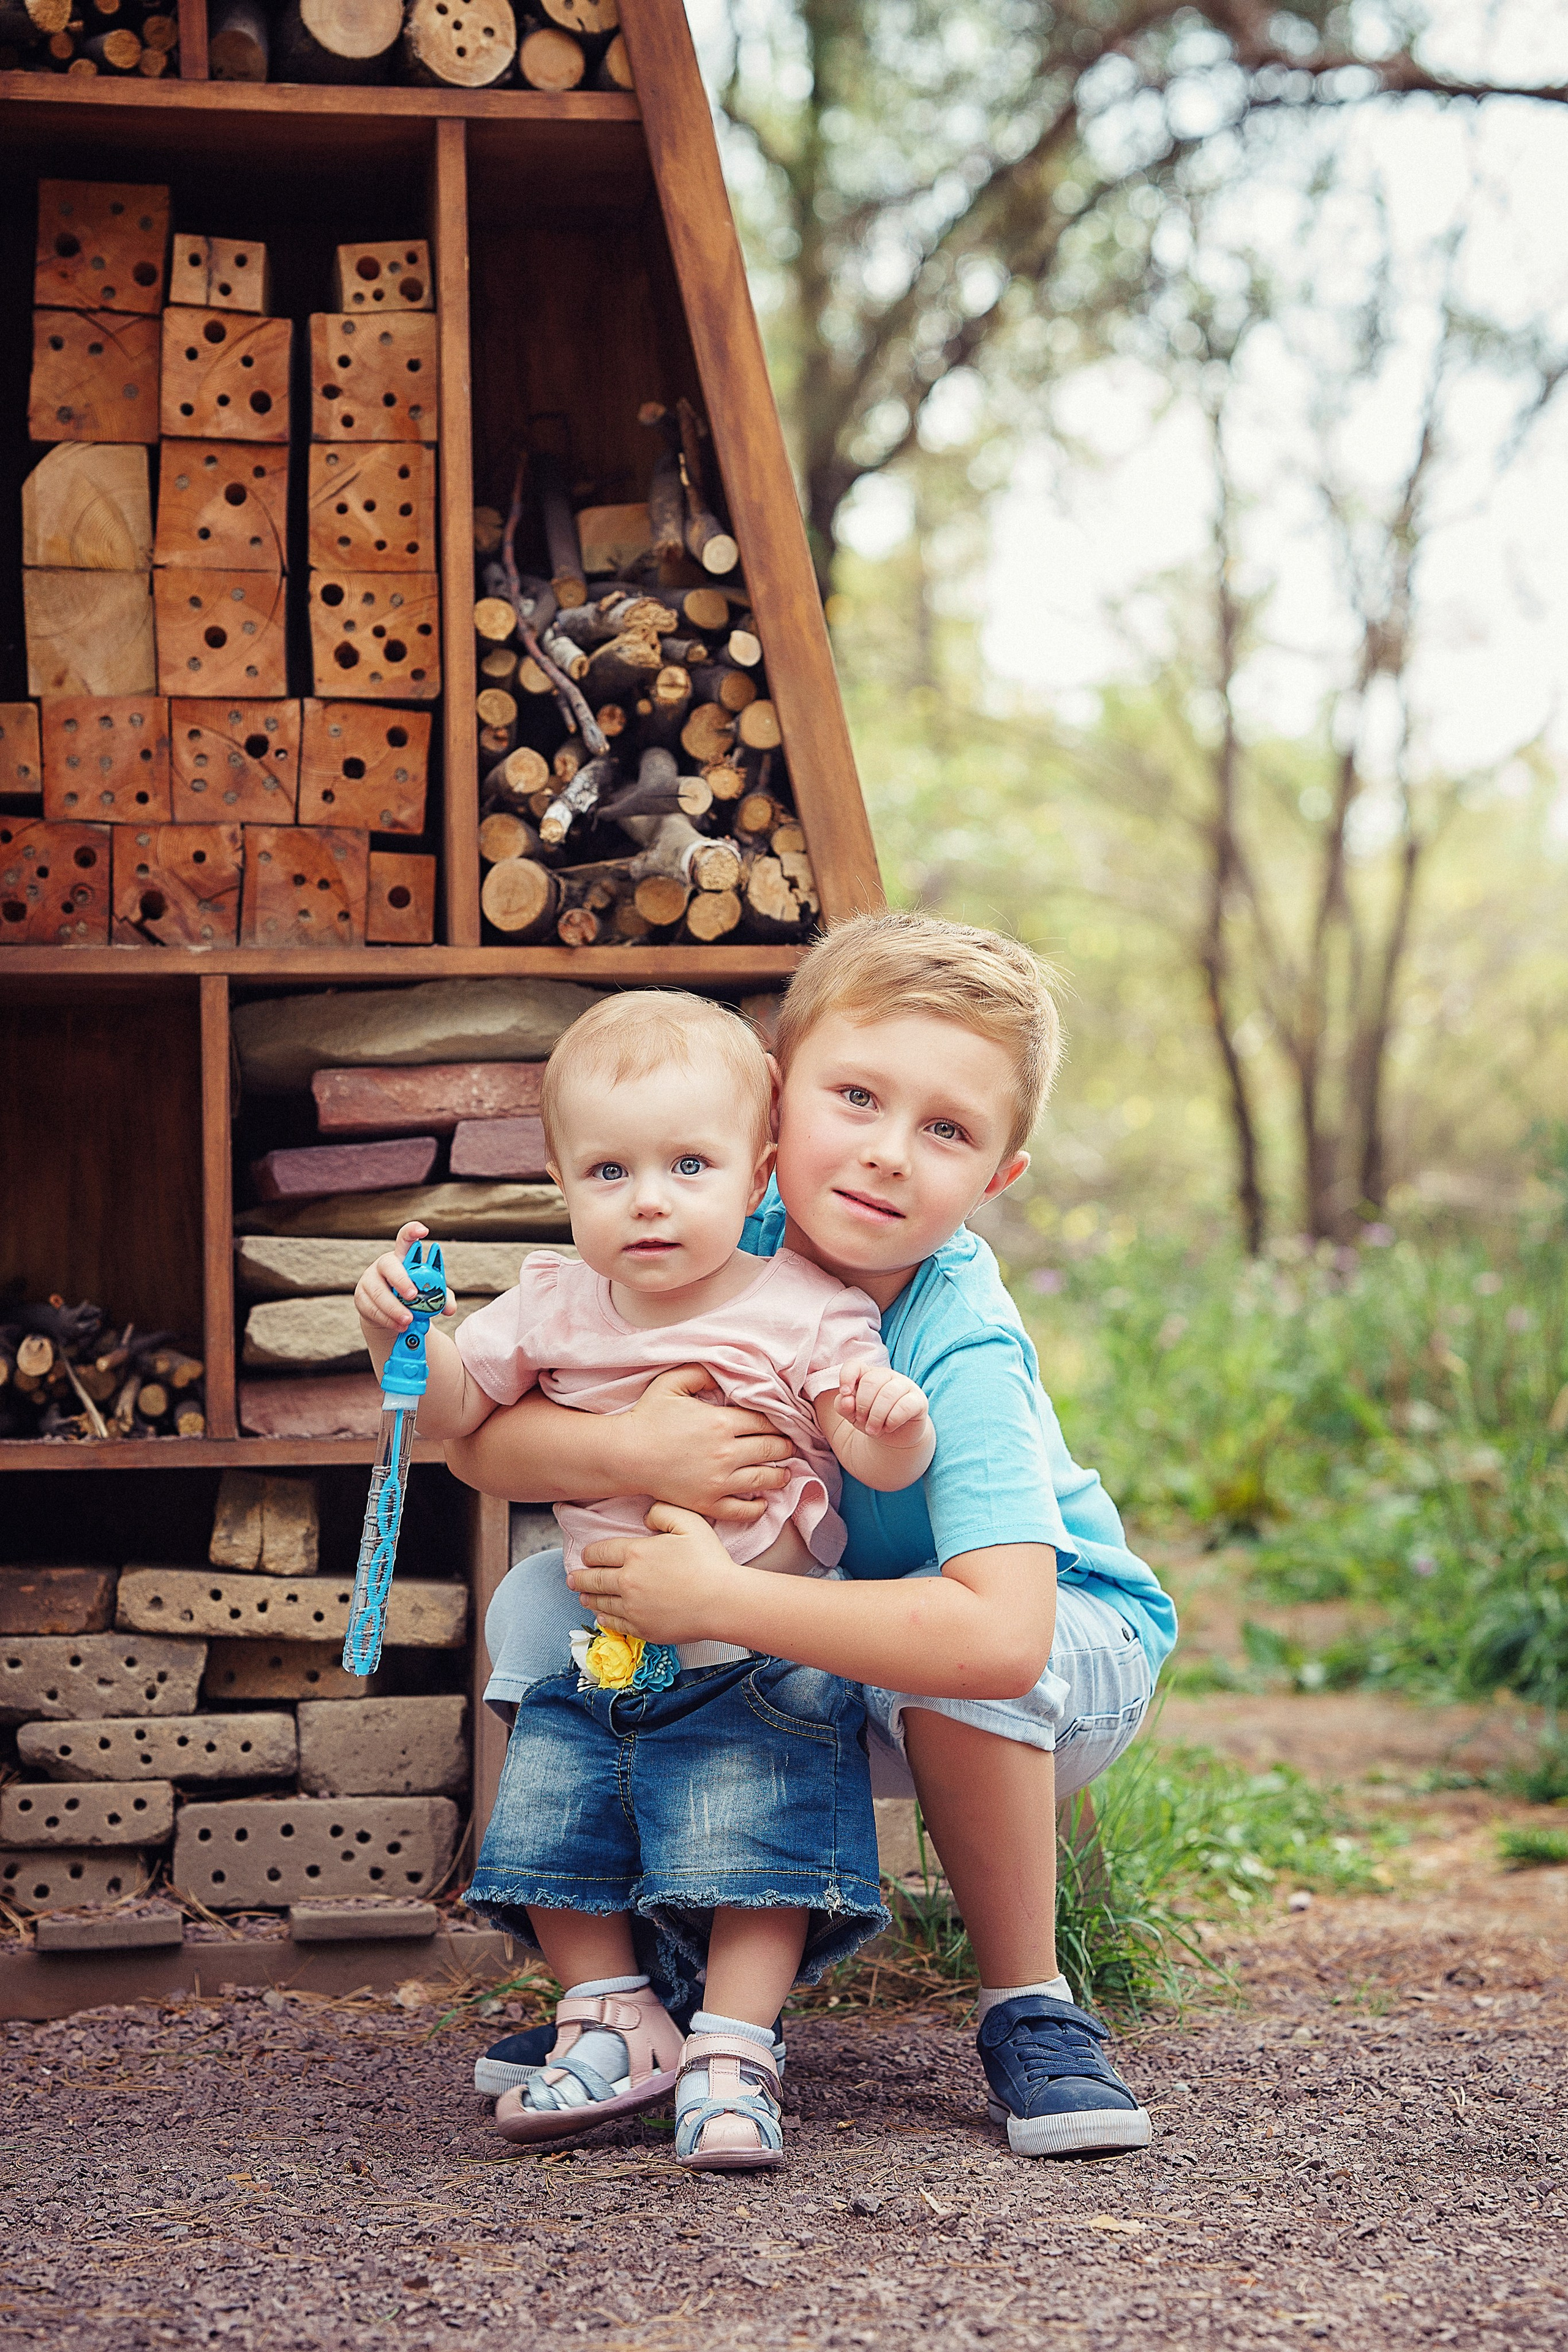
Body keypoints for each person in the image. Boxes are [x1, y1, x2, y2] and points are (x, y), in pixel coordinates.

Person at [451, 911, 1178, 2160]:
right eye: (857, 1097)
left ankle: (1029, 2004)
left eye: (946, 1130)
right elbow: (479, 1445)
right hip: (806, 1637)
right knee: (540, 1600)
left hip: (1043, 1656)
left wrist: (716, 1602)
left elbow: (1001, 1642)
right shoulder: (705, 1225)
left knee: (940, 1669)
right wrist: (632, 1454)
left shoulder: (959, 1341)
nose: (888, 1154)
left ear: (996, 1178)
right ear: (774, 1107)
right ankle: (638, 1999)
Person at [353, 990, 938, 2172]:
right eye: (610, 1172)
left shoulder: (804, 1307)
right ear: (562, 1181)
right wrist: (402, 1339)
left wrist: (894, 1425)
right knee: (555, 1820)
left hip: (761, 1652)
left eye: (689, 1165)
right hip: (606, 1642)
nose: (650, 1200)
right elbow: (458, 1412)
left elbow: (873, 1455)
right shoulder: (554, 1303)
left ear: (757, 1171)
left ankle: (735, 2048)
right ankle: (613, 2015)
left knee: (760, 1846)